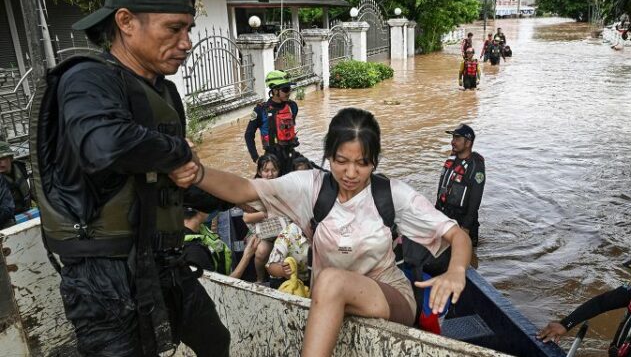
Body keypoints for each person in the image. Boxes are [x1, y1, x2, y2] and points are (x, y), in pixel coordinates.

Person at [169, 107, 473, 357]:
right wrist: (199, 173)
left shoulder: (392, 195)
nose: (351, 173)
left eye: (362, 163)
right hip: (328, 297)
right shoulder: (311, 188)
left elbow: (458, 235)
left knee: (330, 281)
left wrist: (456, 270)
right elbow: (245, 189)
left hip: (388, 296)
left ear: (375, 162)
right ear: (328, 157)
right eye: (341, 161)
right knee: (329, 284)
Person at [29, 0, 230, 355]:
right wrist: (177, 152)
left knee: (214, 339)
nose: (186, 43)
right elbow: (104, 145)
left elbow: (169, 184)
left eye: (189, 30)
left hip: (165, 259)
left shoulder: (163, 94)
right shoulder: (88, 80)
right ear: (126, 22)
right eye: (173, 29)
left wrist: (243, 198)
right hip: (104, 274)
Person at [436, 124, 485, 255]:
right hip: (446, 219)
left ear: (468, 142)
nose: (452, 141)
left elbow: (476, 199)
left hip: (463, 223)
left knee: (465, 260)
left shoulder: (475, 166)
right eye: (452, 138)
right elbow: (442, 189)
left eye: (457, 138)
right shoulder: (452, 160)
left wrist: (466, 227)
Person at [244, 70, 301, 175]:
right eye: (285, 89)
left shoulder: (292, 106)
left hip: (290, 157)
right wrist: (256, 158)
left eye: (289, 89)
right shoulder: (260, 110)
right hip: (271, 160)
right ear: (275, 91)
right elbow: (248, 135)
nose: (289, 92)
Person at [183, 206, 260, 278]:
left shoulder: (197, 227)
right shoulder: (195, 252)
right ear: (199, 210)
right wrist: (247, 255)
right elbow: (221, 286)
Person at [242, 153, 285, 282]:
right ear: (260, 172)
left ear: (279, 171)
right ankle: (260, 279)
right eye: (266, 170)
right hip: (263, 231)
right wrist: (267, 213)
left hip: (282, 230)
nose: (270, 174)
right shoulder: (254, 189)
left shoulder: (284, 186)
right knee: (261, 251)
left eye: (274, 170)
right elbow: (246, 218)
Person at [266, 223, 310, 289]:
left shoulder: (327, 231)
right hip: (284, 279)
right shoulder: (288, 233)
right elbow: (270, 267)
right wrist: (282, 270)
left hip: (311, 279)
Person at [0, 141, 32, 215]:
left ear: (11, 158)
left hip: (29, 212)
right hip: (10, 220)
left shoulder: (21, 169)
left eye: (2, 158)